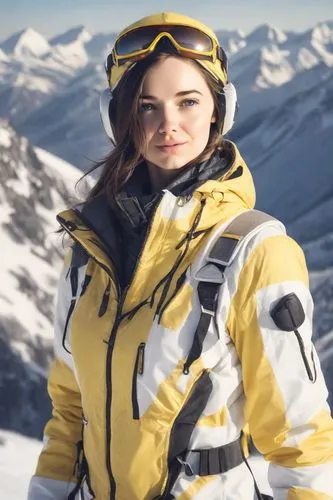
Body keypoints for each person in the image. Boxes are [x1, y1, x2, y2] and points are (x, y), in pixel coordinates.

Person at [28, 11, 333, 500]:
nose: (168, 125)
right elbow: (70, 410)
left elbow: (302, 441)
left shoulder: (256, 253)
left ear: (218, 109)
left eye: (187, 102)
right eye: (147, 106)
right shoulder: (90, 249)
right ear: (122, 119)